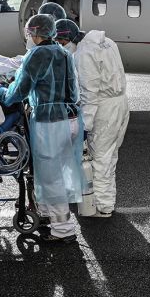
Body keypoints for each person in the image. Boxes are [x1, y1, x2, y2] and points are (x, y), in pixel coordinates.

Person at [0, 14, 83, 243]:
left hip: (50, 122)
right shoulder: (64, 53)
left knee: (52, 175)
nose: (29, 37)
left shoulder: (37, 54)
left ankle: (63, 229)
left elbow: (20, 90)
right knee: (53, 172)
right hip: (71, 119)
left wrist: (2, 93)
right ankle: (45, 214)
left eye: (29, 33)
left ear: (34, 33)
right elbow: (74, 90)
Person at [55, 18, 129, 218]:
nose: (62, 47)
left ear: (69, 38)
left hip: (104, 108)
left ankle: (103, 207)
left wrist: (85, 126)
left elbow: (90, 94)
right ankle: (107, 201)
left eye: (62, 43)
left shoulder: (84, 54)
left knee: (100, 158)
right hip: (121, 103)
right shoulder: (107, 42)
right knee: (111, 156)